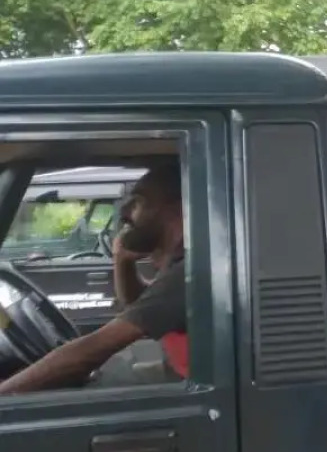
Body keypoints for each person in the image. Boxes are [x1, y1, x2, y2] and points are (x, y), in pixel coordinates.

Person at [0, 162, 187, 395]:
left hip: (189, 385)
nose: (123, 213)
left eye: (138, 202)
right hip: (180, 373)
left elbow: (91, 349)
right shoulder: (182, 266)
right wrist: (122, 260)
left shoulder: (186, 274)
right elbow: (142, 306)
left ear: (176, 212)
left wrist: (5, 393)